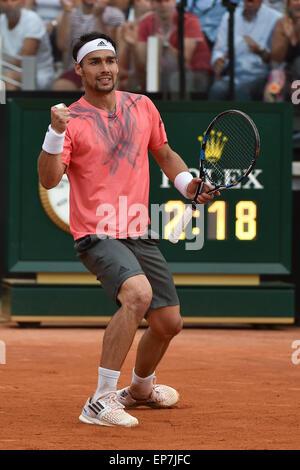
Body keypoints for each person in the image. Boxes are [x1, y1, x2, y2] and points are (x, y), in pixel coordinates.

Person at [38, 31, 219, 427]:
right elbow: (50, 180)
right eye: (95, 62)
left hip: (138, 230)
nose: (105, 69)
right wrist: (54, 133)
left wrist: (189, 184)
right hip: (96, 232)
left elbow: (165, 155)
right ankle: (99, 400)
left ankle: (139, 388)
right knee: (137, 294)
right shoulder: (70, 119)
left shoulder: (143, 106)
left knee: (168, 323)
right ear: (79, 69)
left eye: (110, 61)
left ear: (118, 65)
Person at [209, 0, 282, 101]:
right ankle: (216, 117)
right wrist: (218, 60)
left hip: (261, 75)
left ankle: (244, 117)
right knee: (217, 90)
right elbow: (219, 49)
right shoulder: (230, 16)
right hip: (233, 76)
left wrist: (261, 52)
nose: (250, 2)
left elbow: (277, 59)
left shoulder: (276, 18)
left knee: (241, 90)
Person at [136, 0, 213, 94]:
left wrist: (165, 45)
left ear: (174, 2)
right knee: (141, 79)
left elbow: (184, 62)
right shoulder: (145, 23)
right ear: (152, 4)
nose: (163, 5)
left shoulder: (189, 21)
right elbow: (143, 62)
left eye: (167, 1)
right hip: (162, 75)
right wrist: (132, 45)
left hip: (197, 73)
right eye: (158, 1)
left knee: (175, 79)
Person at [53, 0, 125, 90]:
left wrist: (98, 17)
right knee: (60, 86)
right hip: (76, 69)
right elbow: (63, 45)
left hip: (104, 68)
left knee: (91, 90)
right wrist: (68, 9)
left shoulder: (114, 14)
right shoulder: (69, 13)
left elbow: (110, 47)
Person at [0, 0, 54, 90]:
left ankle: (11, 104)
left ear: (22, 2)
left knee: (8, 78)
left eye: (13, 0)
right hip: (6, 70)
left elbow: (27, 62)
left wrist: (3, 60)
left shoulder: (32, 19)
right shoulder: (1, 20)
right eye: (5, 0)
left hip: (37, 74)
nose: (9, 4)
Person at [264, 0, 300, 102]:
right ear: (288, 3)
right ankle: (273, 116)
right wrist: (288, 36)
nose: (298, 3)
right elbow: (275, 61)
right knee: (275, 80)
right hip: (286, 73)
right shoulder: (281, 23)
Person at [116, 0, 152, 90]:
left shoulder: (154, 27)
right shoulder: (124, 28)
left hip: (149, 78)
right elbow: (120, 69)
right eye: (149, 1)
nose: (152, 4)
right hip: (131, 80)